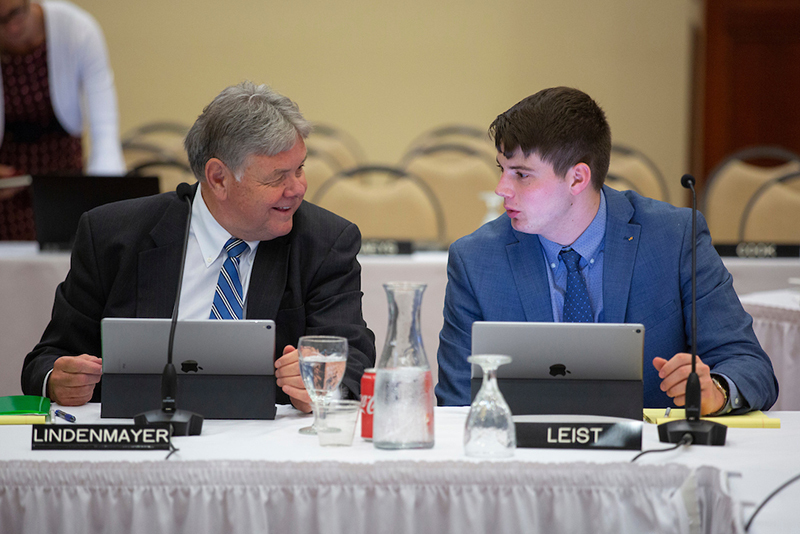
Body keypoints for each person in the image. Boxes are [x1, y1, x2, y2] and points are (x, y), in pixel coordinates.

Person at [21, 81, 376, 411]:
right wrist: (59, 380)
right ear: (218, 178)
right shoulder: (113, 236)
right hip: (141, 442)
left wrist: (324, 384)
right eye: (277, 177)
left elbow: (354, 362)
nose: (298, 188)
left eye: (299, 169)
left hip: (267, 449)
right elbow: (48, 360)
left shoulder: (325, 242)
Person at [435, 86, 778, 415]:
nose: (501, 189)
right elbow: (455, 402)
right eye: (502, 170)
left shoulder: (673, 239)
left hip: (650, 461)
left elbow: (748, 364)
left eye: (522, 174)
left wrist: (716, 389)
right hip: (520, 461)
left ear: (577, 178)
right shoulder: (476, 260)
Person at [0, 0, 125, 240]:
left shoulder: (77, 29)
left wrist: (110, 210)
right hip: (6, 186)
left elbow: (104, 129)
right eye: (1, 21)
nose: (12, 29)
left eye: (16, 13)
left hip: (63, 177)